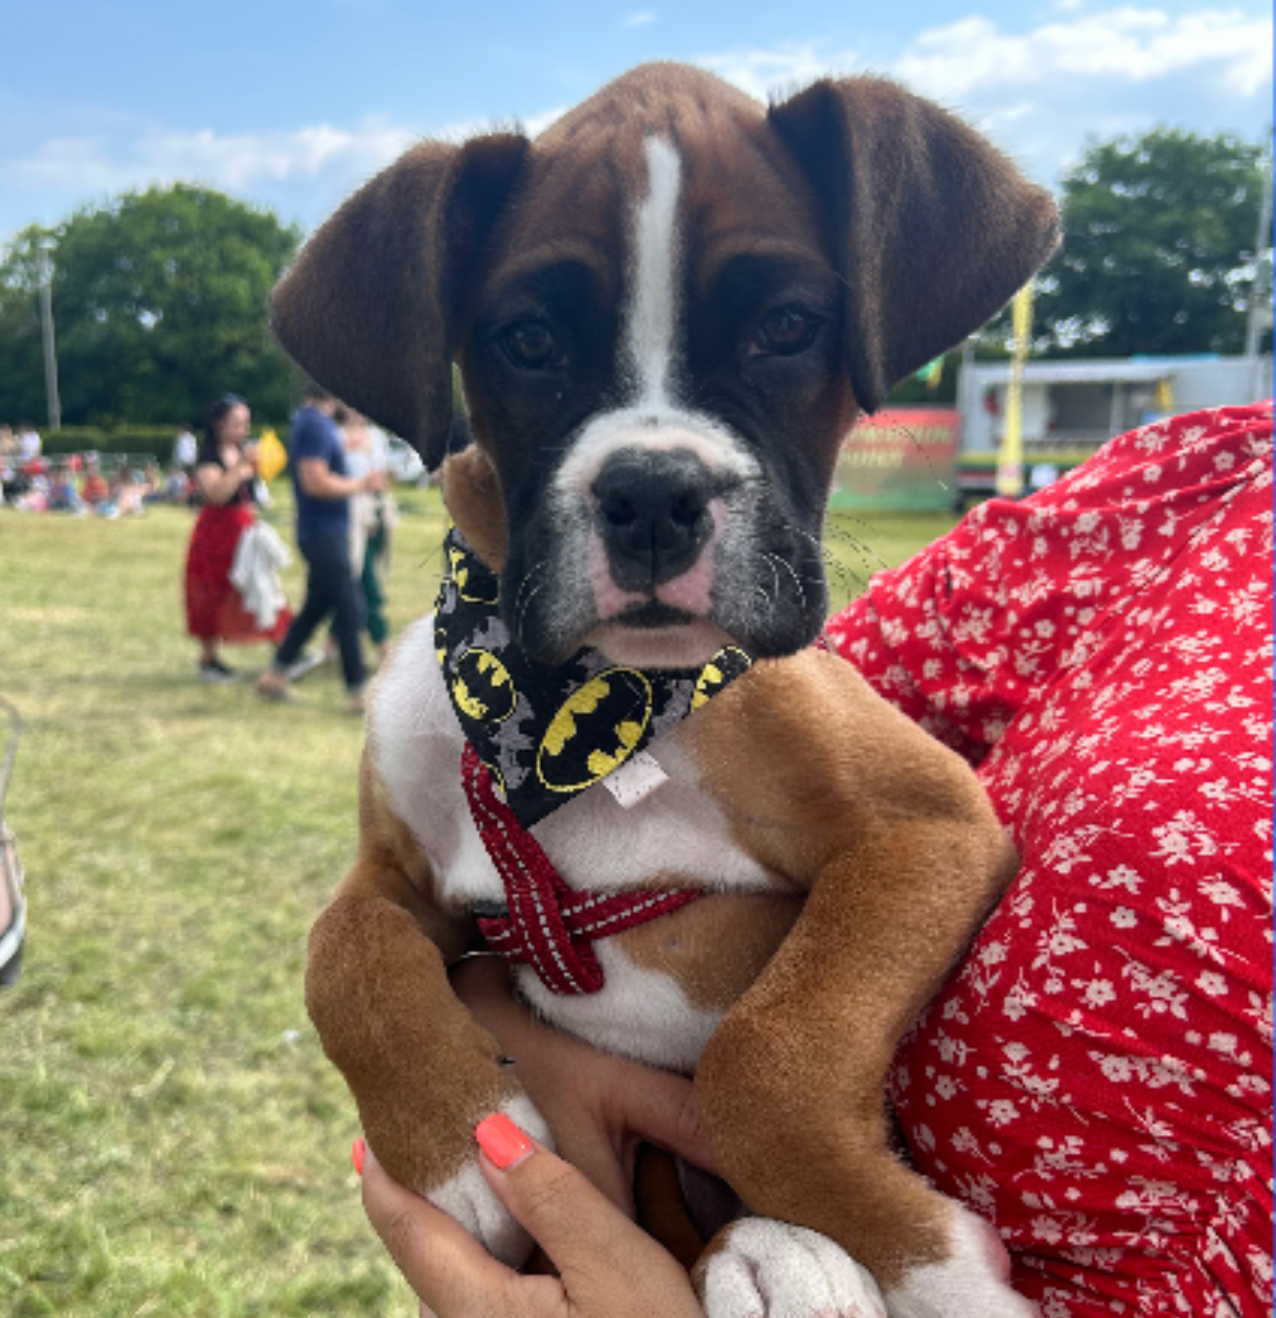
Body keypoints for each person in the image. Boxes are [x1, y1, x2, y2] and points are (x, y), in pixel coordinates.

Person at [351, 402, 1273, 1318]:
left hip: (831, 1220)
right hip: (678, 1213)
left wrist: (787, 1130)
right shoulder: (1197, 489)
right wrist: (426, 1028)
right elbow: (407, 886)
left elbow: (922, 829)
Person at [255, 384, 384, 710]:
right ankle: (358, 693)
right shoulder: (314, 423)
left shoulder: (313, 422)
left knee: (316, 607)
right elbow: (315, 481)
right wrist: (362, 484)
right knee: (352, 606)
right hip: (323, 532)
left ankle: (275, 675)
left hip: (326, 531)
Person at [184, 394, 290, 681]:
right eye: (236, 424)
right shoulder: (209, 456)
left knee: (262, 587)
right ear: (218, 424)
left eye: (245, 424)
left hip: (243, 530)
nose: (243, 430)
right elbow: (216, 494)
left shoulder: (243, 452)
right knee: (212, 592)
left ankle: (285, 650)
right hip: (216, 533)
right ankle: (209, 660)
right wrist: (240, 465)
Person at [342, 408, 396, 664]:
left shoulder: (376, 436)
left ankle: (333, 640)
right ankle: (383, 642)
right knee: (365, 580)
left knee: (356, 579)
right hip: (349, 515)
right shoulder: (335, 435)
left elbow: (384, 472)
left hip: (374, 512)